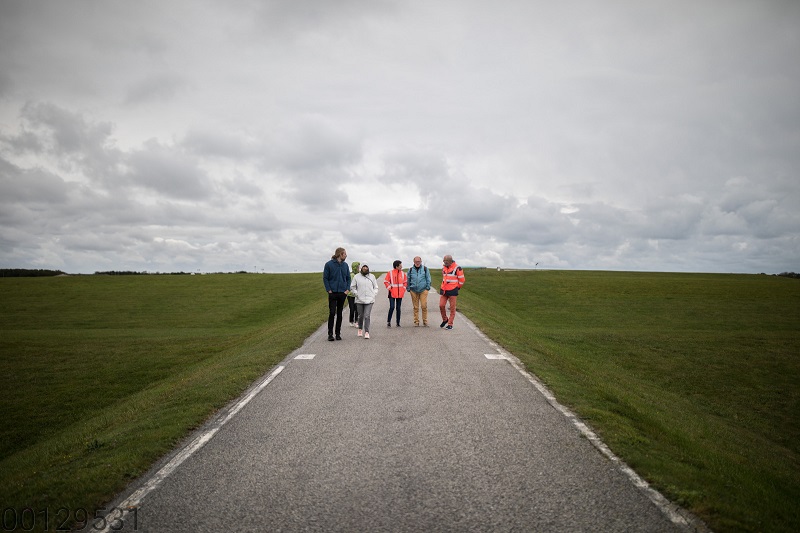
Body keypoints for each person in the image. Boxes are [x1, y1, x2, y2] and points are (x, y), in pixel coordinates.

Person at [323, 247, 350, 341]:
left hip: (342, 293)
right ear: (340, 254)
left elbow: (348, 278)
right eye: (345, 254)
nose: (346, 255)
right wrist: (329, 290)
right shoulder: (329, 264)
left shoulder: (345, 265)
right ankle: (330, 334)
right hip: (333, 293)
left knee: (339, 314)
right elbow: (325, 278)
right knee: (332, 313)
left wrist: (347, 289)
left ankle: (337, 333)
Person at [350, 263, 379, 339]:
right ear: (361, 268)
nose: (365, 268)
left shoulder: (372, 277)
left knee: (367, 315)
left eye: (366, 267)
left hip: (370, 300)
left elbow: (376, 287)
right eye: (364, 267)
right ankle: (360, 328)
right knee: (360, 316)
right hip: (359, 300)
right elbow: (352, 287)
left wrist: (373, 294)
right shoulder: (356, 277)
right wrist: (357, 294)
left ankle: (367, 332)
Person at [439, 254, 465, 330]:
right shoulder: (443, 268)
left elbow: (462, 280)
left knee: (452, 308)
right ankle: (445, 319)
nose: (445, 262)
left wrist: (457, 287)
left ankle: (450, 324)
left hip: (453, 290)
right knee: (441, 305)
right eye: (444, 261)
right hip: (444, 290)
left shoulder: (457, 268)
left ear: (451, 261)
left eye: (446, 261)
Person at [406, 256, 432, 326]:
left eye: (419, 261)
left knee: (424, 306)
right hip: (413, 290)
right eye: (416, 261)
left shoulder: (425, 269)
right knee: (415, 307)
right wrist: (408, 288)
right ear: (414, 262)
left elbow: (428, 278)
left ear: (421, 261)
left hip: (423, 290)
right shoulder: (411, 270)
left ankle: (425, 321)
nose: (417, 263)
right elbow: (408, 279)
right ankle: (416, 321)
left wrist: (427, 288)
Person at [384, 259, 407, 327]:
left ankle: (398, 322)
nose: (401, 267)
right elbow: (386, 281)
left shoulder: (403, 273)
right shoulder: (390, 273)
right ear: (396, 266)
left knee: (398, 308)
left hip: (400, 294)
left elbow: (405, 282)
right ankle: (389, 321)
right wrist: (390, 288)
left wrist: (404, 288)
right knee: (392, 307)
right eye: (400, 265)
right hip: (392, 293)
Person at [347, 261, 361, 327]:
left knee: (357, 309)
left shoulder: (359, 275)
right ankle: (351, 320)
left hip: (357, 295)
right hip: (350, 295)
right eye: (358, 267)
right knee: (352, 308)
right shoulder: (351, 275)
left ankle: (356, 321)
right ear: (355, 268)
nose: (359, 268)